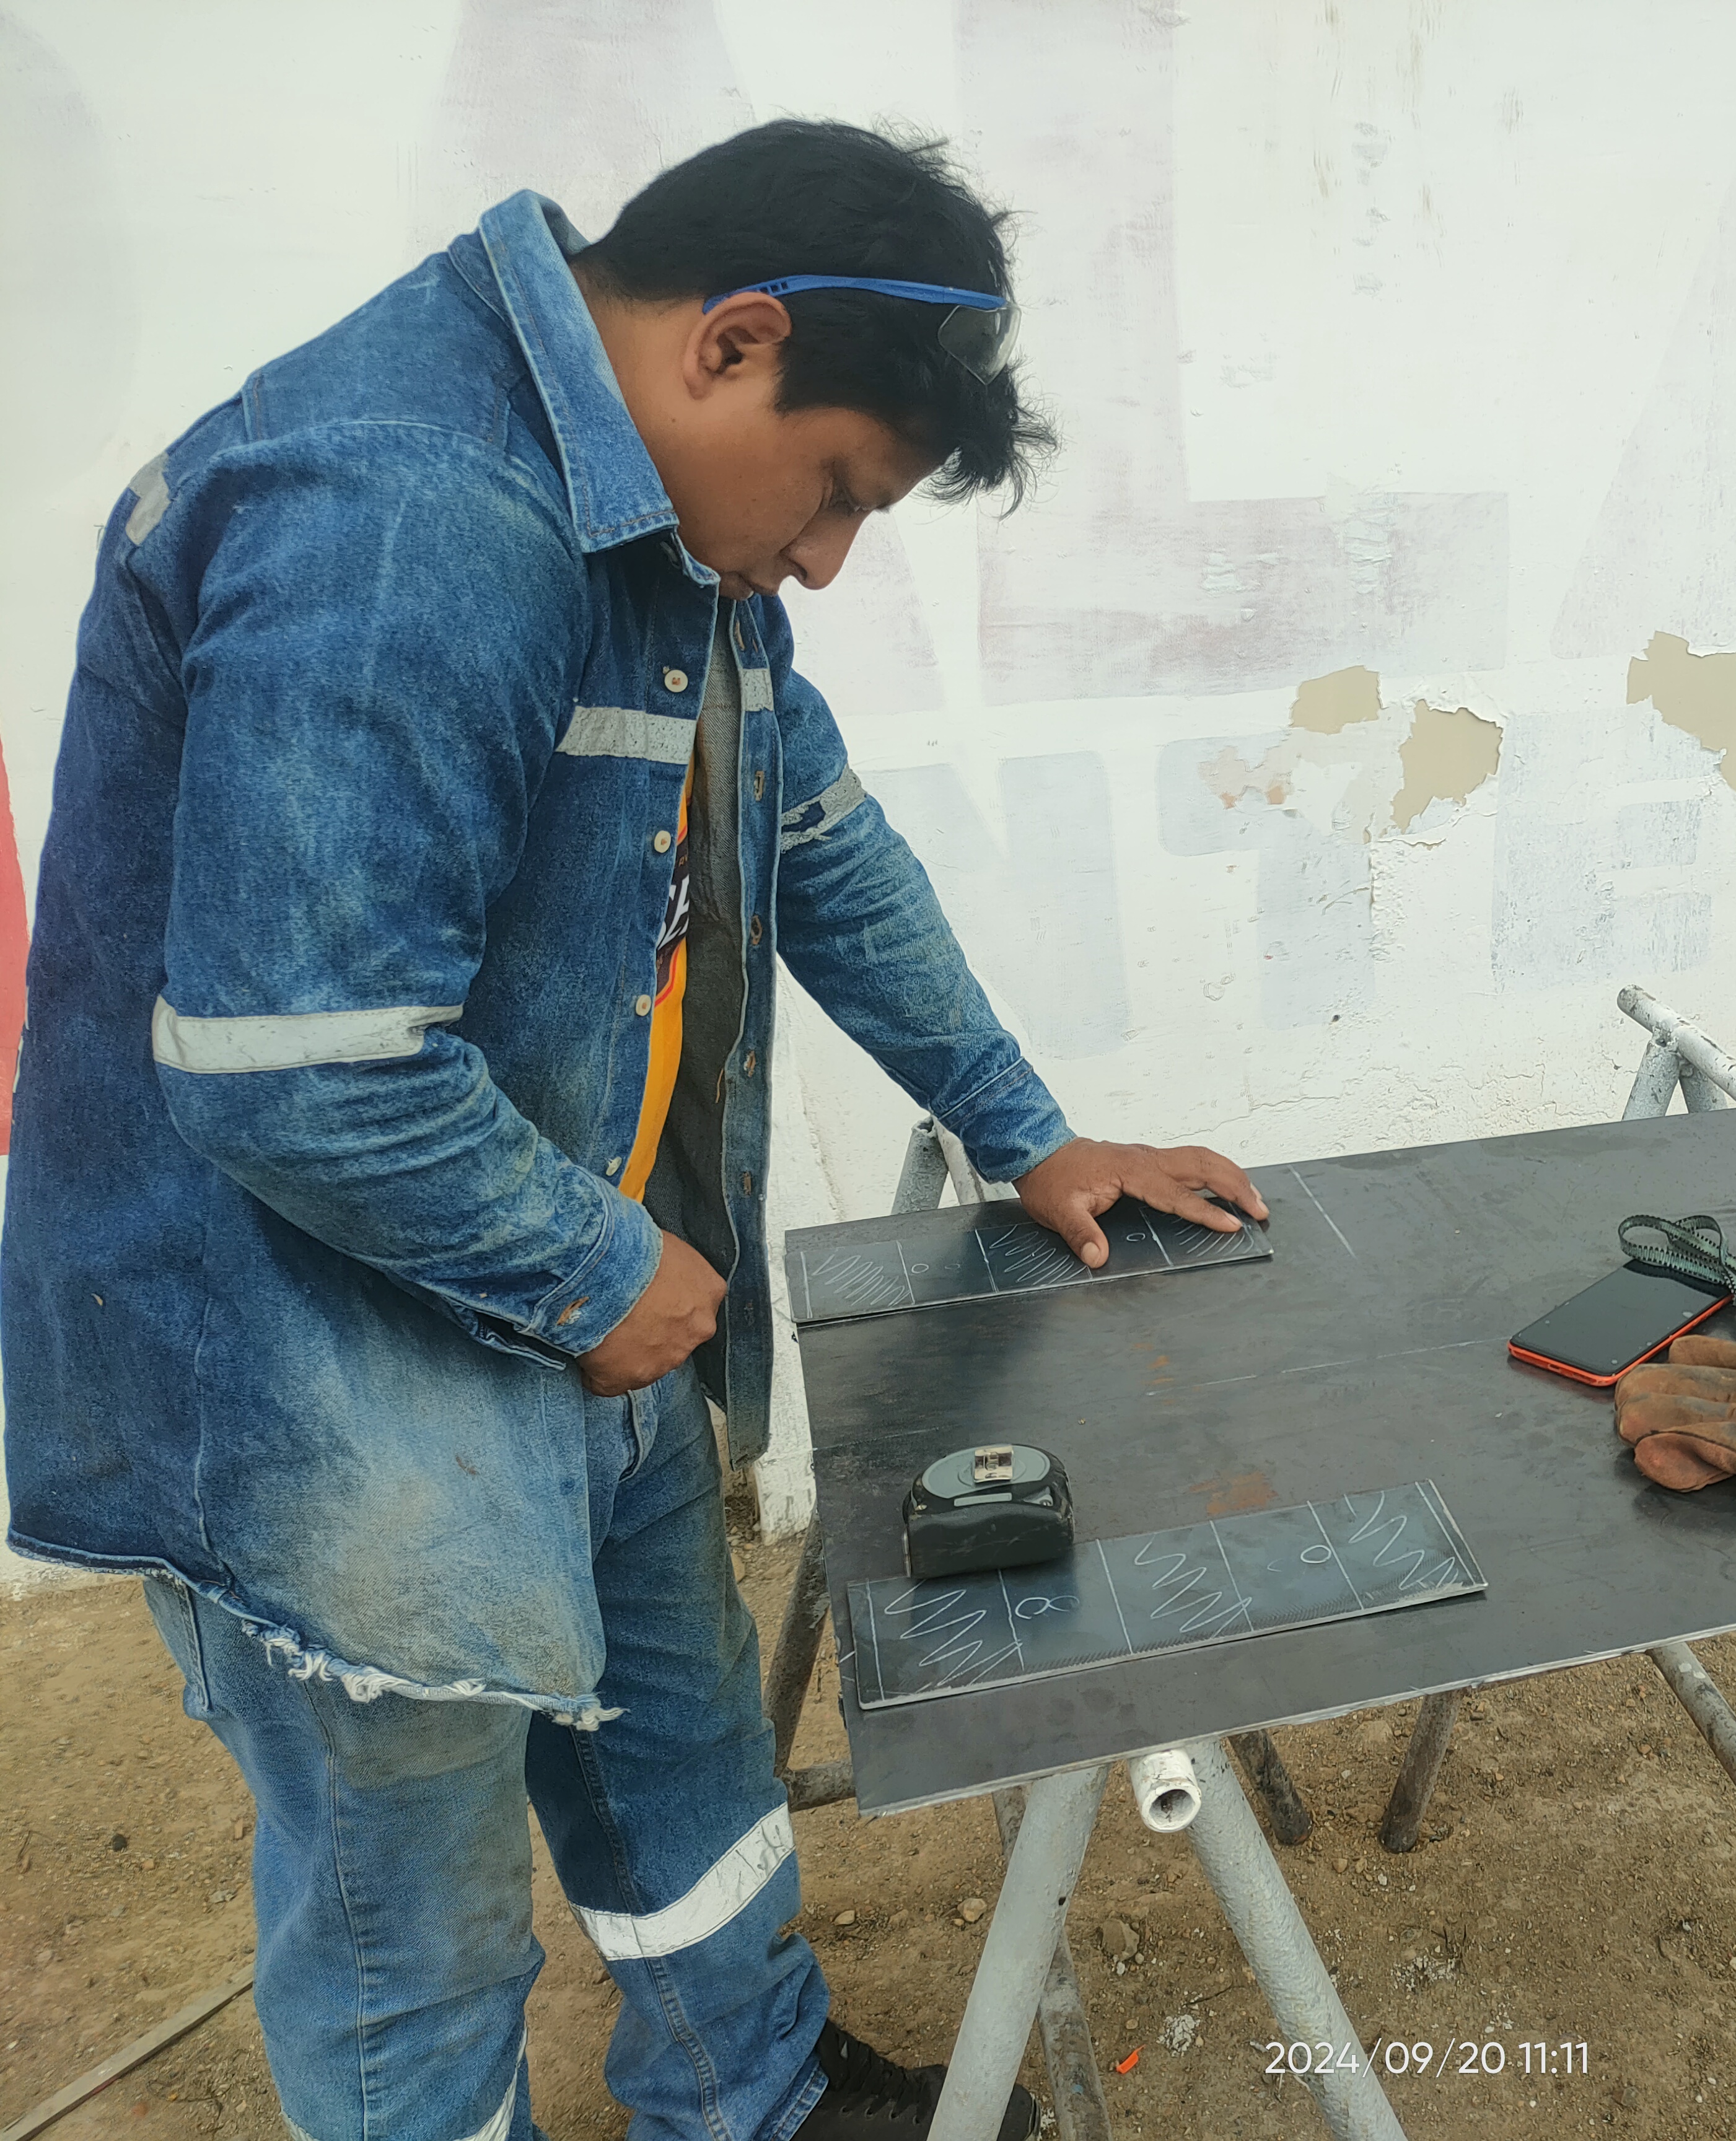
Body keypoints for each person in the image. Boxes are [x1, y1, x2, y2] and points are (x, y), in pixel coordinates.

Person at [1, 119, 1263, 2141]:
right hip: (319, 1376)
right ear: (730, 342)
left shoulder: (667, 534)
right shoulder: (407, 510)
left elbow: (815, 845)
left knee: (683, 1763)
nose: (829, 560)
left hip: (565, 1290)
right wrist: (592, 1270)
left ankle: (750, 2095)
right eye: (837, 490)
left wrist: (1028, 1135)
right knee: (414, 1931)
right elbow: (294, 1065)